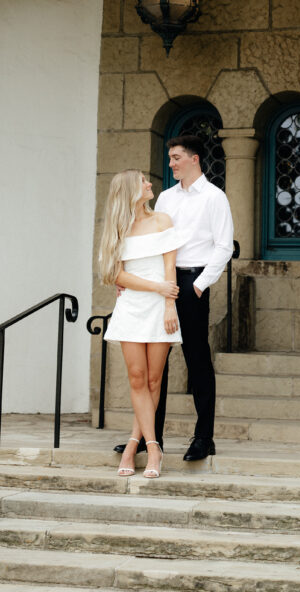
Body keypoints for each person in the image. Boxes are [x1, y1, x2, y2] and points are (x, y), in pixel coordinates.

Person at [100, 169, 183, 478]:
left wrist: (168, 303)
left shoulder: (162, 220)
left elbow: (169, 266)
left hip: (161, 308)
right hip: (132, 308)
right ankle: (150, 446)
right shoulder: (117, 229)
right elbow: (116, 276)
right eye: (144, 182)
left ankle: (138, 445)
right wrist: (155, 288)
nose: (150, 184)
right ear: (130, 191)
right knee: (137, 378)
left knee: (153, 382)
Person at [157, 134, 234, 461]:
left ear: (194, 159)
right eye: (171, 158)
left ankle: (204, 438)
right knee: (155, 362)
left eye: (176, 157)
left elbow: (224, 246)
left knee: (197, 359)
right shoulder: (164, 198)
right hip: (162, 285)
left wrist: (199, 285)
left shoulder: (215, 198)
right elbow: (157, 241)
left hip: (192, 282)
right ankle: (150, 438)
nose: (171, 163)